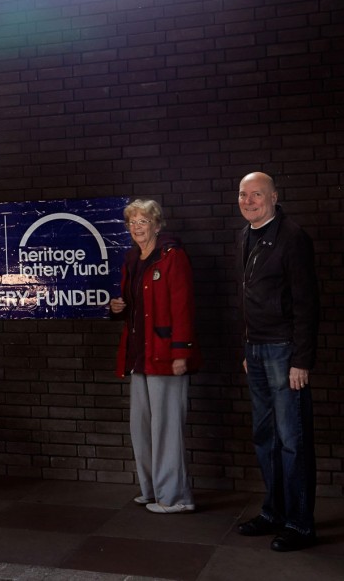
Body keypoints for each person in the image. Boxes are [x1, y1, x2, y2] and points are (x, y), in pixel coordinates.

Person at [235, 172, 319, 552]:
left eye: (256, 194)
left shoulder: (292, 237)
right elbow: (250, 300)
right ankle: (273, 513)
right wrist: (248, 347)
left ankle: (300, 525)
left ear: (274, 197)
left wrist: (301, 360)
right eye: (243, 195)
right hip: (257, 350)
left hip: (286, 353)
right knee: (265, 438)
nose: (249, 201)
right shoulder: (244, 235)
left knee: (292, 441)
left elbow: (306, 303)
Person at [110, 199, 199, 514]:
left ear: (157, 225)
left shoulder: (173, 257)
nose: (136, 227)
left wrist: (181, 353)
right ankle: (151, 490)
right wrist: (117, 308)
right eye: (132, 222)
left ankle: (176, 497)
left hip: (165, 356)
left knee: (166, 429)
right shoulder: (132, 258)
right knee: (142, 427)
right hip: (139, 357)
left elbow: (183, 307)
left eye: (143, 221)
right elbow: (136, 307)